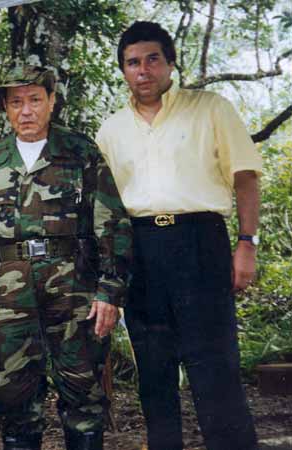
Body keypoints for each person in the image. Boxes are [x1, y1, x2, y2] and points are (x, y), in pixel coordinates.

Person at [96, 21, 261, 450]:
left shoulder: (210, 109)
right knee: (154, 371)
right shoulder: (111, 129)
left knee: (215, 367)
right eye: (133, 62)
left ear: (171, 63)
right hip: (140, 249)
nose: (143, 70)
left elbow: (245, 176)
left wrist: (247, 243)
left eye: (153, 59)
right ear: (123, 70)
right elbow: (103, 208)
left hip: (200, 243)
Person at [0, 65, 132, 450]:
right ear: (5, 107)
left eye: (35, 100)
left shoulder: (80, 151)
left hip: (74, 288)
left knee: (82, 389)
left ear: (51, 102)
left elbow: (111, 222)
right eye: (16, 102)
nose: (26, 111)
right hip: (8, 291)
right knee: (14, 395)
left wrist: (110, 291)